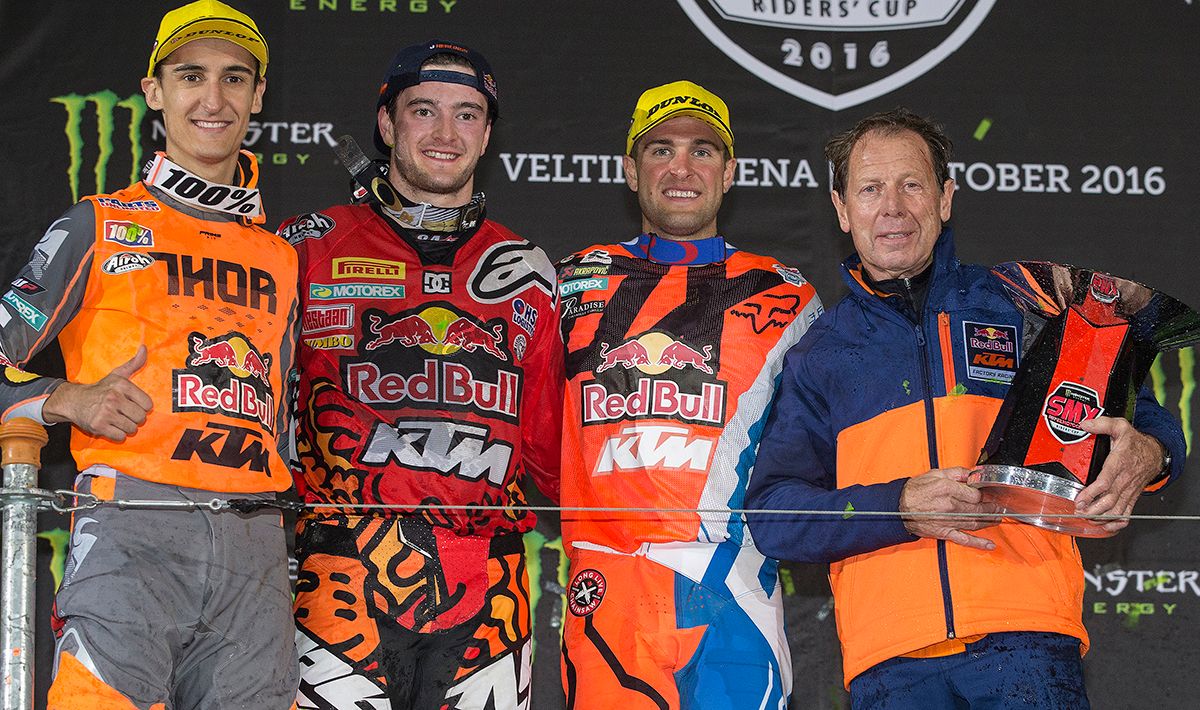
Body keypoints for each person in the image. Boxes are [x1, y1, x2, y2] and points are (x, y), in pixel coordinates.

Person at [746, 108, 1186, 708]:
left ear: (946, 198)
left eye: (912, 184)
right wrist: (897, 507)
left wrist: (1150, 453)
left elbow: (1139, 411)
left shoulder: (1025, 301)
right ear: (842, 210)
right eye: (870, 189)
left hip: (1027, 637)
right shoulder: (818, 353)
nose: (893, 207)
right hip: (889, 660)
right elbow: (774, 515)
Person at [0, 1, 300, 707]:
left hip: (256, 550)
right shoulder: (99, 224)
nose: (213, 99)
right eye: (190, 76)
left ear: (258, 97)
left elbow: (285, 421)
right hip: (131, 528)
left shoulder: (280, 256)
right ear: (154, 92)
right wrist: (64, 399)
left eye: (234, 78)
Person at [281, 40, 562, 709]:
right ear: (387, 123)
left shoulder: (526, 270)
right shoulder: (307, 246)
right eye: (424, 110)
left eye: (467, 114)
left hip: (491, 579)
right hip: (338, 566)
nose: (445, 133)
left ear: (487, 134)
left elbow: (553, 454)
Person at [557, 80, 823, 709]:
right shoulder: (567, 283)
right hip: (608, 582)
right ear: (631, 170)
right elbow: (531, 434)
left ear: (729, 173)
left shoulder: (789, 296)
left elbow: (819, 450)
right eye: (661, 150)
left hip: (734, 586)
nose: (681, 168)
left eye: (702, 151)